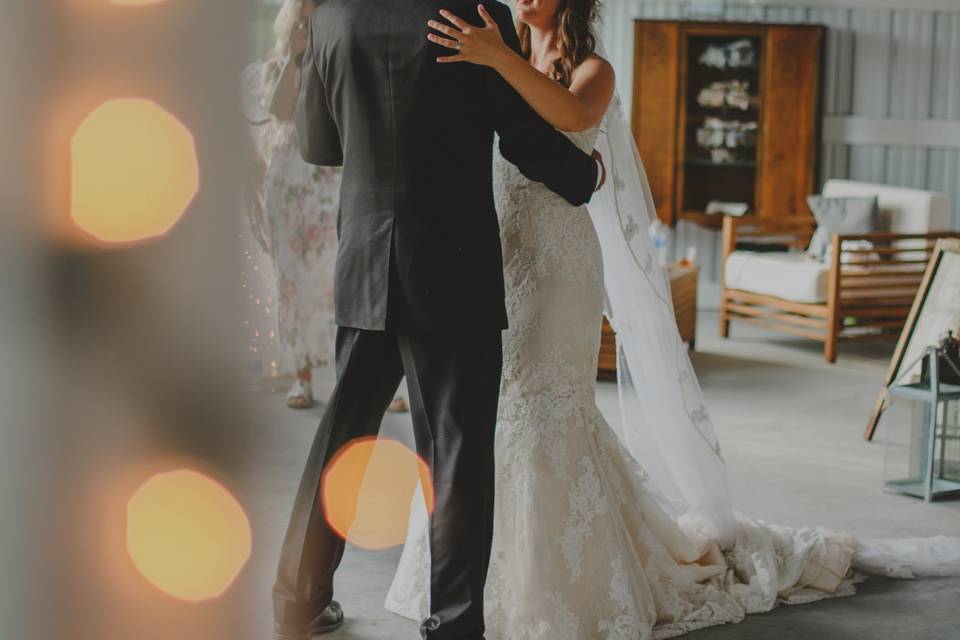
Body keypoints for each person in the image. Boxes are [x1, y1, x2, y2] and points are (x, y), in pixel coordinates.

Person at [385, 1, 960, 638]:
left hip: (560, 259)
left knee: (550, 402)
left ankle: (567, 577)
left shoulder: (593, 69)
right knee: (493, 403)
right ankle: (474, 575)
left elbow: (571, 117)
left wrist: (495, 59)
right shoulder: (499, 56)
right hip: (499, 251)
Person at [271, 0, 603, 638]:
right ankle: (452, 624)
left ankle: (297, 602)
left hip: (365, 260)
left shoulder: (333, 17)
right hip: (452, 269)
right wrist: (582, 174)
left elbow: (317, 144)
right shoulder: (476, 14)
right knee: (455, 451)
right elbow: (524, 137)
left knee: (341, 438)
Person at [247, 0, 409, 413]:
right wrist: (300, 57)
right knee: (294, 280)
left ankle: (356, 378)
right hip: (293, 181)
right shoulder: (282, 59)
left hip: (337, 175)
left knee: (342, 279)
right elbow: (279, 110)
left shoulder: (351, 44)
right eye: (306, 11)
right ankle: (300, 375)